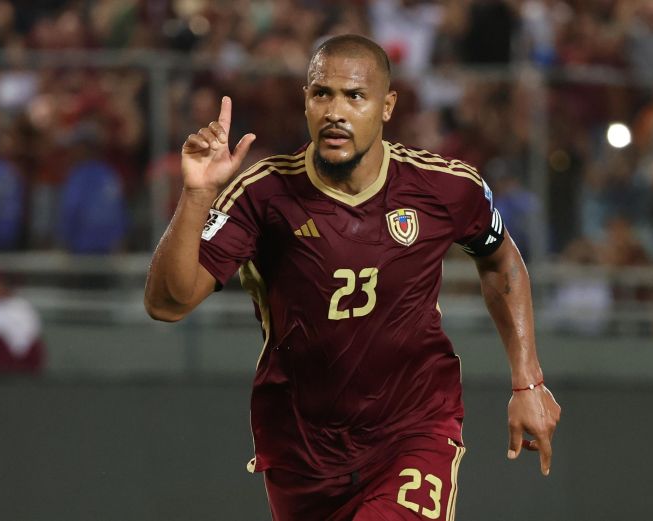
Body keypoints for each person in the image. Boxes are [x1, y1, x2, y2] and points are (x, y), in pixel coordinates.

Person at [144, 35, 561, 521]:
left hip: (414, 431)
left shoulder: (445, 187)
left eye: (354, 96)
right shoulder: (262, 195)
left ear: (386, 107)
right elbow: (167, 303)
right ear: (305, 100)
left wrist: (528, 381)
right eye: (322, 93)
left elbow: (501, 259)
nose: (335, 111)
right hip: (302, 449)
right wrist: (196, 194)